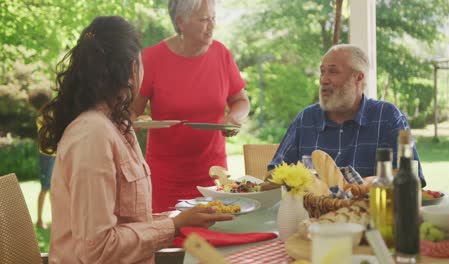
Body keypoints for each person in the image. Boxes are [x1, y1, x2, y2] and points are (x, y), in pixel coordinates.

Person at [38, 16, 234, 263]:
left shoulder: (117, 127)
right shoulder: (92, 136)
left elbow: (128, 222)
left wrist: (182, 217)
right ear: (132, 69)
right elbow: (98, 249)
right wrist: (174, 226)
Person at [132, 0, 250, 213]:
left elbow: (241, 101)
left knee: (212, 239)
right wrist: (133, 122)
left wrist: (234, 118)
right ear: (181, 22)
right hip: (165, 177)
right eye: (204, 19)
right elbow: (132, 110)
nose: (212, 25)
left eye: (213, 18)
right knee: (167, 238)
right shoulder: (152, 58)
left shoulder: (221, 54)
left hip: (214, 176)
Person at [268, 44, 426, 187]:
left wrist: (359, 185)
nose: (323, 80)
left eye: (333, 71)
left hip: (368, 215)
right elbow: (272, 175)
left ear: (358, 77)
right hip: (310, 216)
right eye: (322, 72)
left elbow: (410, 176)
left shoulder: (387, 116)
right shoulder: (306, 119)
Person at [29, 89, 55, 229]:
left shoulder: (50, 115)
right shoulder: (42, 119)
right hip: (47, 157)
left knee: (54, 189)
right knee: (45, 187)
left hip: (55, 155)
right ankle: (39, 220)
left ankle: (55, 218)